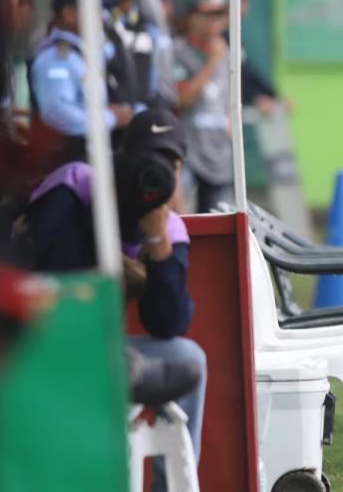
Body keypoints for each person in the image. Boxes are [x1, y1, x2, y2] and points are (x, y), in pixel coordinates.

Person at [17, 109, 206, 488]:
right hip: (36, 338)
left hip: (105, 349)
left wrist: (158, 245)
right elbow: (40, 269)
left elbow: (167, 324)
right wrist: (98, 221)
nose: (152, 176)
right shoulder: (78, 184)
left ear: (180, 167)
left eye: (166, 163)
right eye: (147, 160)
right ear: (123, 157)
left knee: (189, 357)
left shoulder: (169, 227)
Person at [29, 0, 134, 139]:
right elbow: (57, 114)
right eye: (94, 10)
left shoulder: (81, 53)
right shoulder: (56, 60)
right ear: (70, 14)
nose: (101, 17)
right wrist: (111, 118)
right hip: (68, 158)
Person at [174, 0, 234, 213]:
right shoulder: (179, 50)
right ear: (193, 17)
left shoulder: (229, 52)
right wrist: (211, 62)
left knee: (216, 219)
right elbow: (182, 99)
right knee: (185, 221)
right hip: (189, 152)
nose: (213, 22)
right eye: (207, 15)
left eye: (219, 15)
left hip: (219, 153)